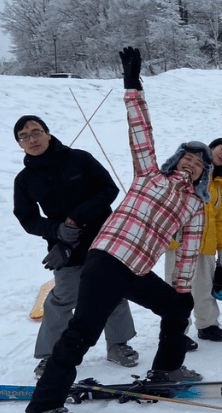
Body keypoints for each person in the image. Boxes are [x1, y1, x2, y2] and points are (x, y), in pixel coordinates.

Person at [23, 47, 209, 413]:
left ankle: (166, 368)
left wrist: (183, 290)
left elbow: (189, 253)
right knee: (82, 334)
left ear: (203, 174)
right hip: (107, 261)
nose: (191, 163)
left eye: (199, 163)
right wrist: (132, 85)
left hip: (136, 270)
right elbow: (141, 130)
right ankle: (42, 408)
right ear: (176, 161)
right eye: (187, 157)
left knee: (177, 308)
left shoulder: (195, 207)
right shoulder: (149, 177)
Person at [13, 115, 137, 379]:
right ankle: (49, 356)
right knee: (61, 300)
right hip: (65, 246)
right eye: (24, 136)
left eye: (36, 132)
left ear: (47, 133)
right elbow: (26, 218)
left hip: (104, 238)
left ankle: (118, 345)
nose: (32, 139)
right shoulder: (24, 180)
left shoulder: (79, 158)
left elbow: (108, 190)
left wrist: (76, 217)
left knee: (113, 292)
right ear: (20, 144)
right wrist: (56, 230)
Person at [164, 137, 222, 347]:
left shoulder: (220, 184)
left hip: (207, 243)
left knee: (204, 287)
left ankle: (207, 325)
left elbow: (220, 218)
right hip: (180, 241)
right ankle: (177, 330)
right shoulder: (190, 172)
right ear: (211, 148)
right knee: (177, 288)